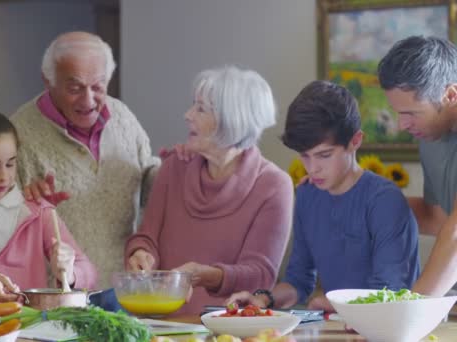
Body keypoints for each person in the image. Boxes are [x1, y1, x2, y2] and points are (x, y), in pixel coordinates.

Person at [226, 80, 420, 312]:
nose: (312, 168)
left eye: (324, 155)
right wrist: (264, 298)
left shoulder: (385, 201)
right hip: (340, 330)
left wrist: (333, 304)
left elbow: (390, 291)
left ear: (355, 141)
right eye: (305, 156)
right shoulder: (308, 195)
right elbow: (299, 281)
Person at [124, 66, 294, 315]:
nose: (187, 115)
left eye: (200, 109)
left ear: (231, 121)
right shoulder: (173, 167)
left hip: (229, 327)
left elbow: (261, 275)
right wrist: (140, 253)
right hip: (161, 325)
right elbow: (146, 236)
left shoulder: (273, 184)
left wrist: (206, 276)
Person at [11, 31, 160, 287]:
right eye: (75, 88)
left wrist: (179, 170)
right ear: (48, 81)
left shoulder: (123, 118)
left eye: (98, 86)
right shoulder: (19, 134)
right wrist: (26, 207)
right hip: (59, 297)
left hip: (123, 291)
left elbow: (150, 185)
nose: (88, 100)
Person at [0, 110, 97, 309]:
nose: (4, 176)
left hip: (30, 332)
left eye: (11, 164)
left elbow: (89, 271)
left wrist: (69, 273)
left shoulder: (38, 212)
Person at [377, 35, 457, 295]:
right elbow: (438, 219)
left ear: (450, 95)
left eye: (411, 113)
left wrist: (411, 310)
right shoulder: (431, 137)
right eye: (399, 113)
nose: (402, 125)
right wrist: (357, 196)